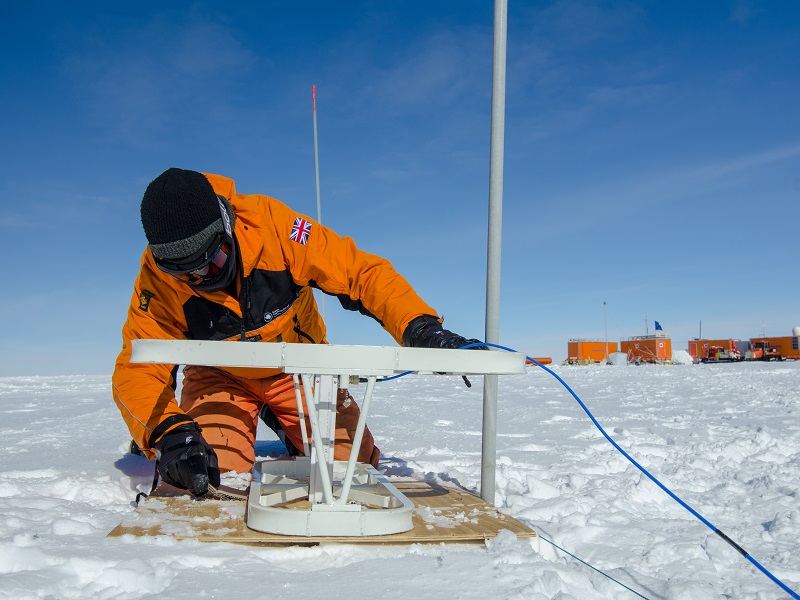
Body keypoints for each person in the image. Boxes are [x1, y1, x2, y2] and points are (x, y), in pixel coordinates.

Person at [112, 168, 482, 497]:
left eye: (215, 262)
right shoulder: (155, 281)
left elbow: (361, 273)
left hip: (298, 371)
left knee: (352, 471)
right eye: (186, 275)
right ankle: (233, 425)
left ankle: (280, 417)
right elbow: (137, 366)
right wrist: (167, 432)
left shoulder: (276, 228)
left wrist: (420, 326)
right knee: (202, 476)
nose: (202, 281)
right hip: (218, 376)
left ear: (227, 226)